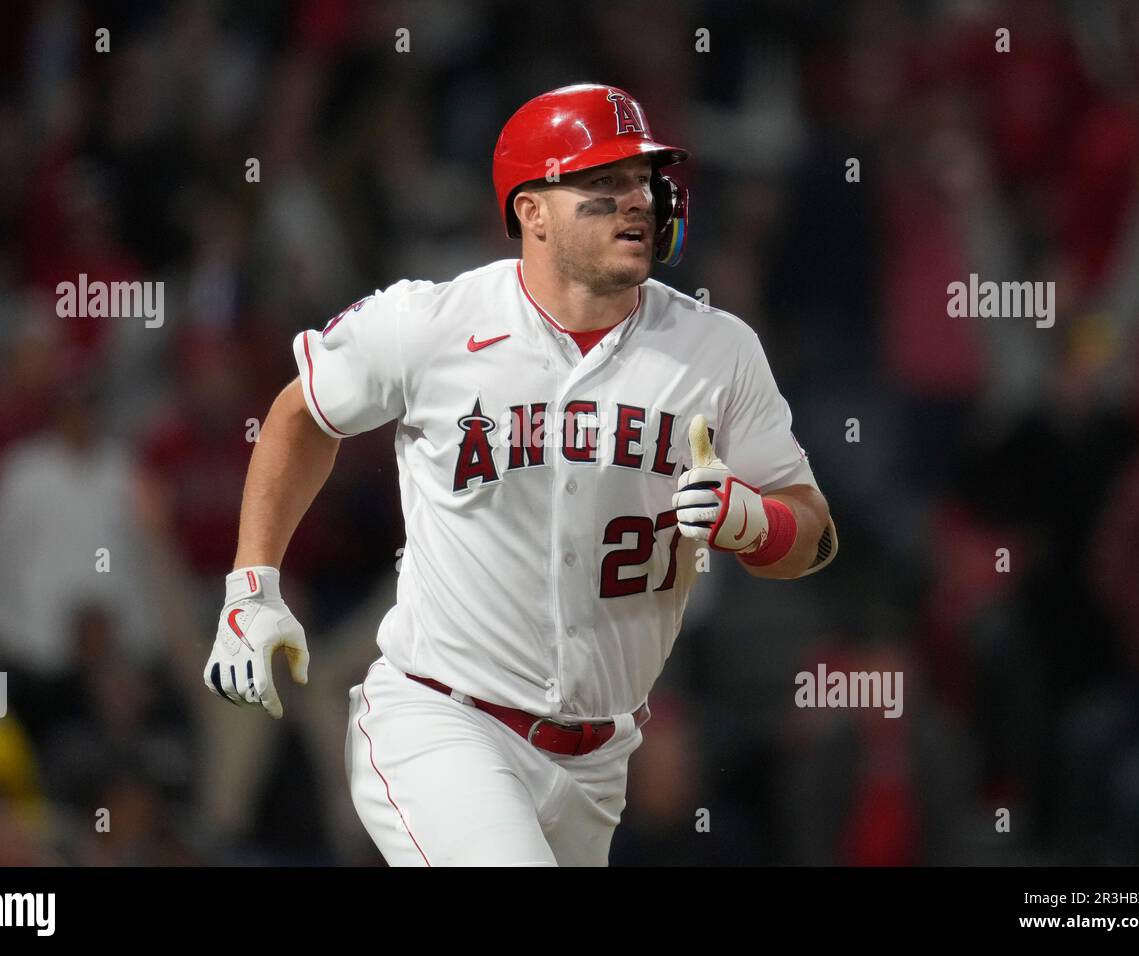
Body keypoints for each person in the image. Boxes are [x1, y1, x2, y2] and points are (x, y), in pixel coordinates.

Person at [203, 84, 837, 866]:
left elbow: (814, 536)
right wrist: (252, 583)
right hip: (442, 721)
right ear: (532, 211)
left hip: (600, 759)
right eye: (602, 185)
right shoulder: (432, 322)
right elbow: (303, 414)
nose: (636, 201)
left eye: (642, 180)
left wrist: (754, 522)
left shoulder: (717, 349)